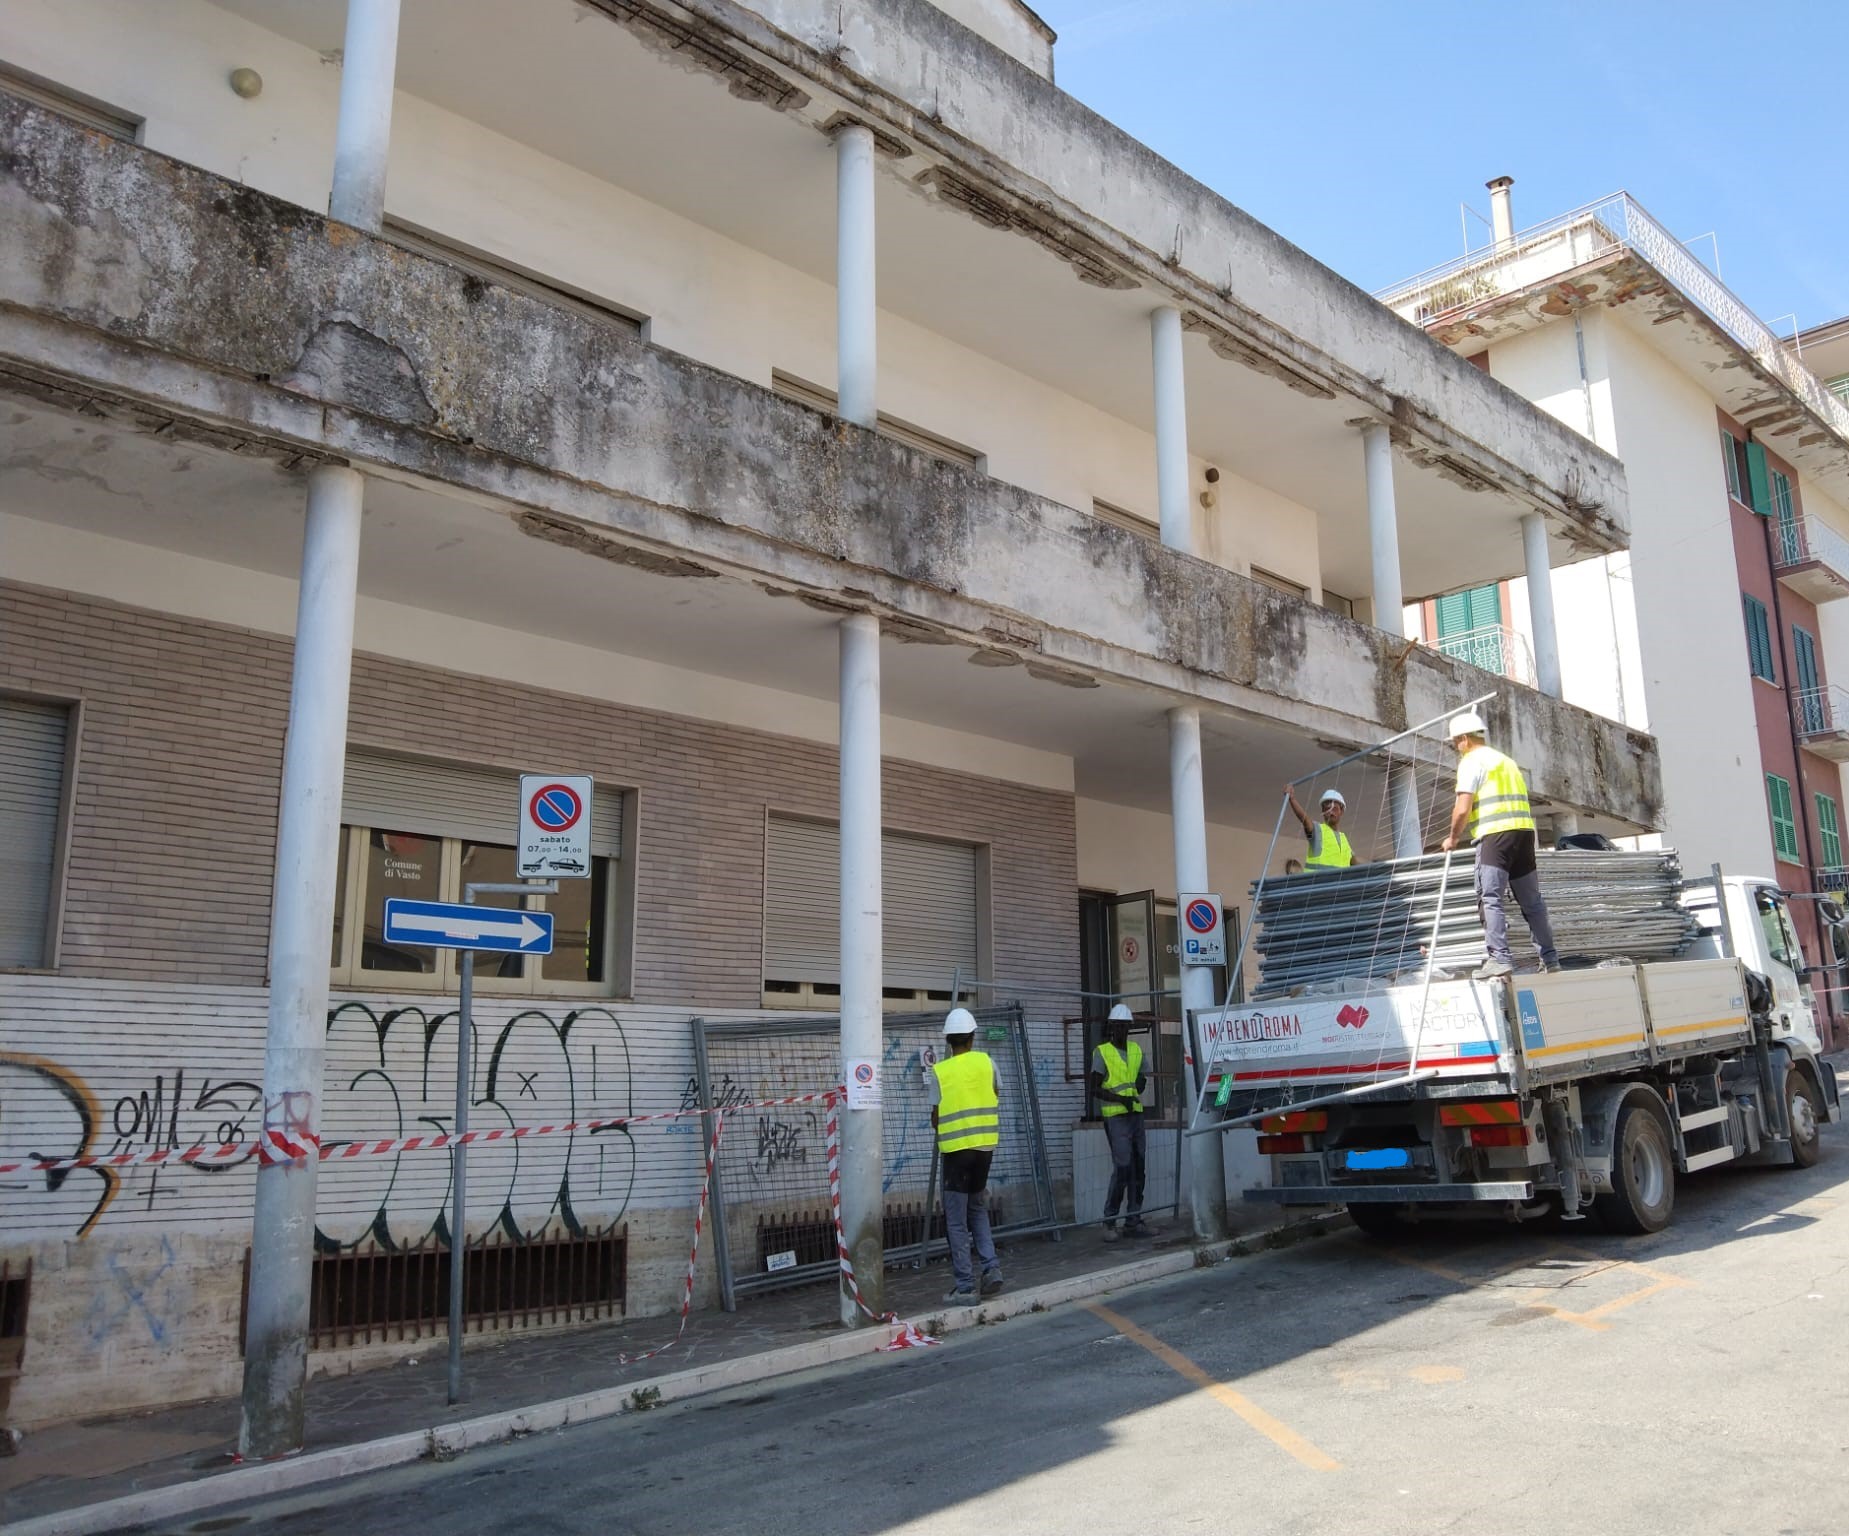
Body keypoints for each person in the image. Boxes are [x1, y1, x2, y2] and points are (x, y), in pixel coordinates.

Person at [1440, 710, 1561, 980]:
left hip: (1495, 835)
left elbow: (1462, 808)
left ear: (1463, 739)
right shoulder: (1506, 761)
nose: (1455, 748)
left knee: (1490, 896)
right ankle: (1550, 958)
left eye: (1454, 743)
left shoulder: (1471, 761)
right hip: (1524, 834)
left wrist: (1452, 838)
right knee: (1532, 901)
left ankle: (1500, 958)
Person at [929, 1008, 1004, 1302]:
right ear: (972, 1038)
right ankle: (991, 1268)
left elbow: (935, 1118)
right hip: (985, 1148)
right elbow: (996, 1093)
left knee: (957, 1221)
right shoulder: (988, 1063)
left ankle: (964, 1285)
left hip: (956, 1154)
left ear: (949, 1041)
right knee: (977, 1209)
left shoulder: (940, 1071)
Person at [1089, 1003, 1149, 1240]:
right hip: (1116, 1117)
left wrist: (1140, 1085)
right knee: (1123, 1167)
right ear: (1112, 1027)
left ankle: (1134, 1221)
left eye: (1125, 1027)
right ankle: (1110, 1221)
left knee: (1139, 1168)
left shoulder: (1135, 1050)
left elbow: (1142, 1077)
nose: (1121, 1031)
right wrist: (1119, 1099)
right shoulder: (1102, 1052)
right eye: (1118, 1027)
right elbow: (1094, 1087)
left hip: (1135, 1113)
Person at [1285, 784, 1355, 869]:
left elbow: (1354, 861)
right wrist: (1292, 799)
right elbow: (1305, 820)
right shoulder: (1316, 831)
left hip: (1341, 882)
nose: (1331, 813)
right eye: (1327, 809)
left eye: (1335, 809)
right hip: (1318, 882)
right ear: (1323, 811)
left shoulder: (1344, 839)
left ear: (1342, 811)